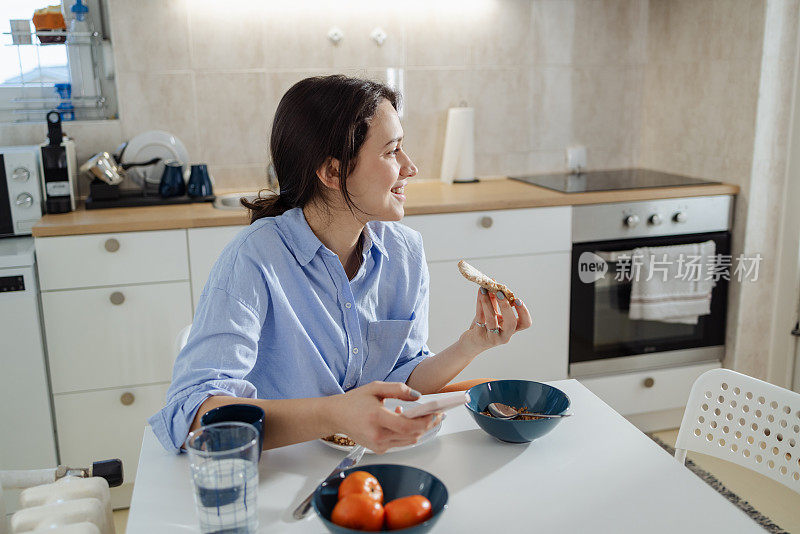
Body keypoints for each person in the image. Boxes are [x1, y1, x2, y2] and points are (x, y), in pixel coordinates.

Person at [149, 75, 532, 455]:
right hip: (278, 472)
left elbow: (403, 377)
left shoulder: (405, 252)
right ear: (332, 172)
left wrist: (470, 345)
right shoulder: (253, 260)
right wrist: (338, 413)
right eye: (391, 151)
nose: (410, 167)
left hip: (373, 466)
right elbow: (193, 415)